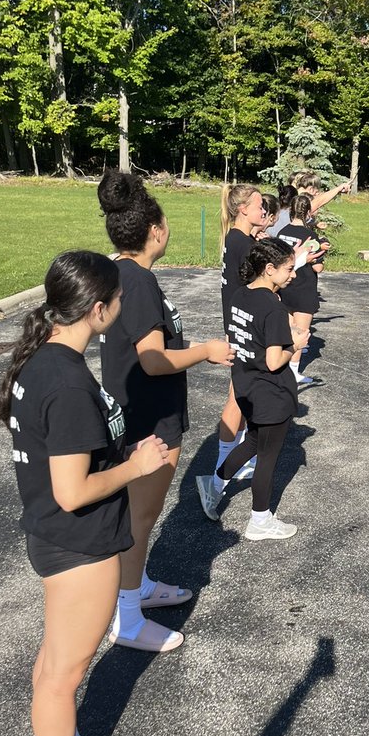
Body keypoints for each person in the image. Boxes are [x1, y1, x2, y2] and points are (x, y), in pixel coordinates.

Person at [0, 250, 170, 736]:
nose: (122, 308)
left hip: (56, 538)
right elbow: (72, 490)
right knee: (61, 674)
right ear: (98, 309)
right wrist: (138, 464)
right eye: (117, 301)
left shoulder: (43, 361)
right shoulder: (67, 382)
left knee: (54, 665)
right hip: (78, 543)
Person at [98, 170, 233, 652]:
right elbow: (153, 361)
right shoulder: (137, 281)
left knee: (141, 515)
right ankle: (127, 618)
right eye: (166, 222)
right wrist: (206, 350)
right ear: (155, 230)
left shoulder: (120, 272)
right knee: (141, 515)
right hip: (148, 419)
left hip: (138, 410)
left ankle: (139, 586)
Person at [218, 238, 311, 540]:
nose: (293, 275)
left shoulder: (240, 295)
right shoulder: (272, 306)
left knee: (254, 440)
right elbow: (273, 361)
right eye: (288, 269)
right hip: (270, 391)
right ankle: (260, 520)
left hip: (246, 385)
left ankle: (215, 481)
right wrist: (295, 344)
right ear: (269, 269)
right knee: (267, 458)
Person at [197, 183, 268, 520]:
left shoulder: (238, 239)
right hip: (245, 328)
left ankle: (230, 459)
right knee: (238, 396)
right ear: (243, 209)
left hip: (239, 325)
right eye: (258, 206)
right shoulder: (240, 241)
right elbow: (257, 285)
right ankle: (222, 468)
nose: (263, 210)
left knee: (239, 395)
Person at [277, 192, 325, 387]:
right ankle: (294, 373)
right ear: (308, 212)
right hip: (304, 289)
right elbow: (317, 267)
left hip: (285, 288)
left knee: (287, 330)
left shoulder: (281, 233)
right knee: (301, 332)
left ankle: (282, 367)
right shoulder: (310, 236)